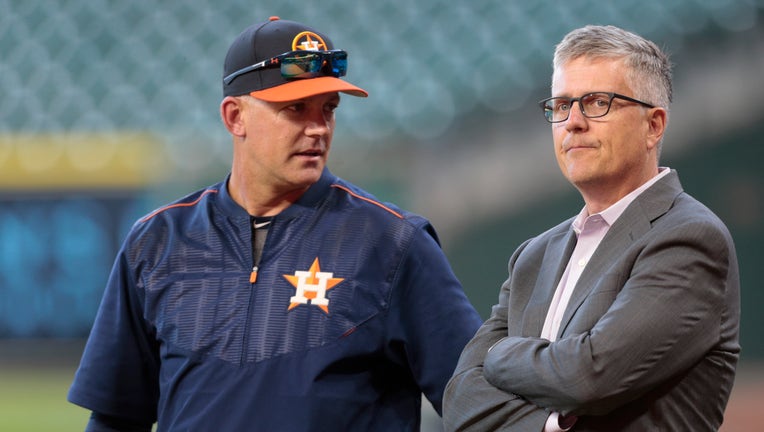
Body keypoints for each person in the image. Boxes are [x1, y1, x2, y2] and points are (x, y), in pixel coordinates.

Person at [68, 17, 482, 431]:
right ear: (235, 117)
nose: (318, 127)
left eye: (329, 109)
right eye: (295, 109)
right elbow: (116, 416)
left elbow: (478, 405)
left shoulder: (393, 242)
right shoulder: (158, 242)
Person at [443, 25, 740, 432]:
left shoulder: (688, 238)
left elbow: (588, 377)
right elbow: (460, 402)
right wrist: (551, 420)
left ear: (653, 125)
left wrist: (500, 355)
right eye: (561, 105)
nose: (573, 122)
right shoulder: (534, 255)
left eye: (598, 102)